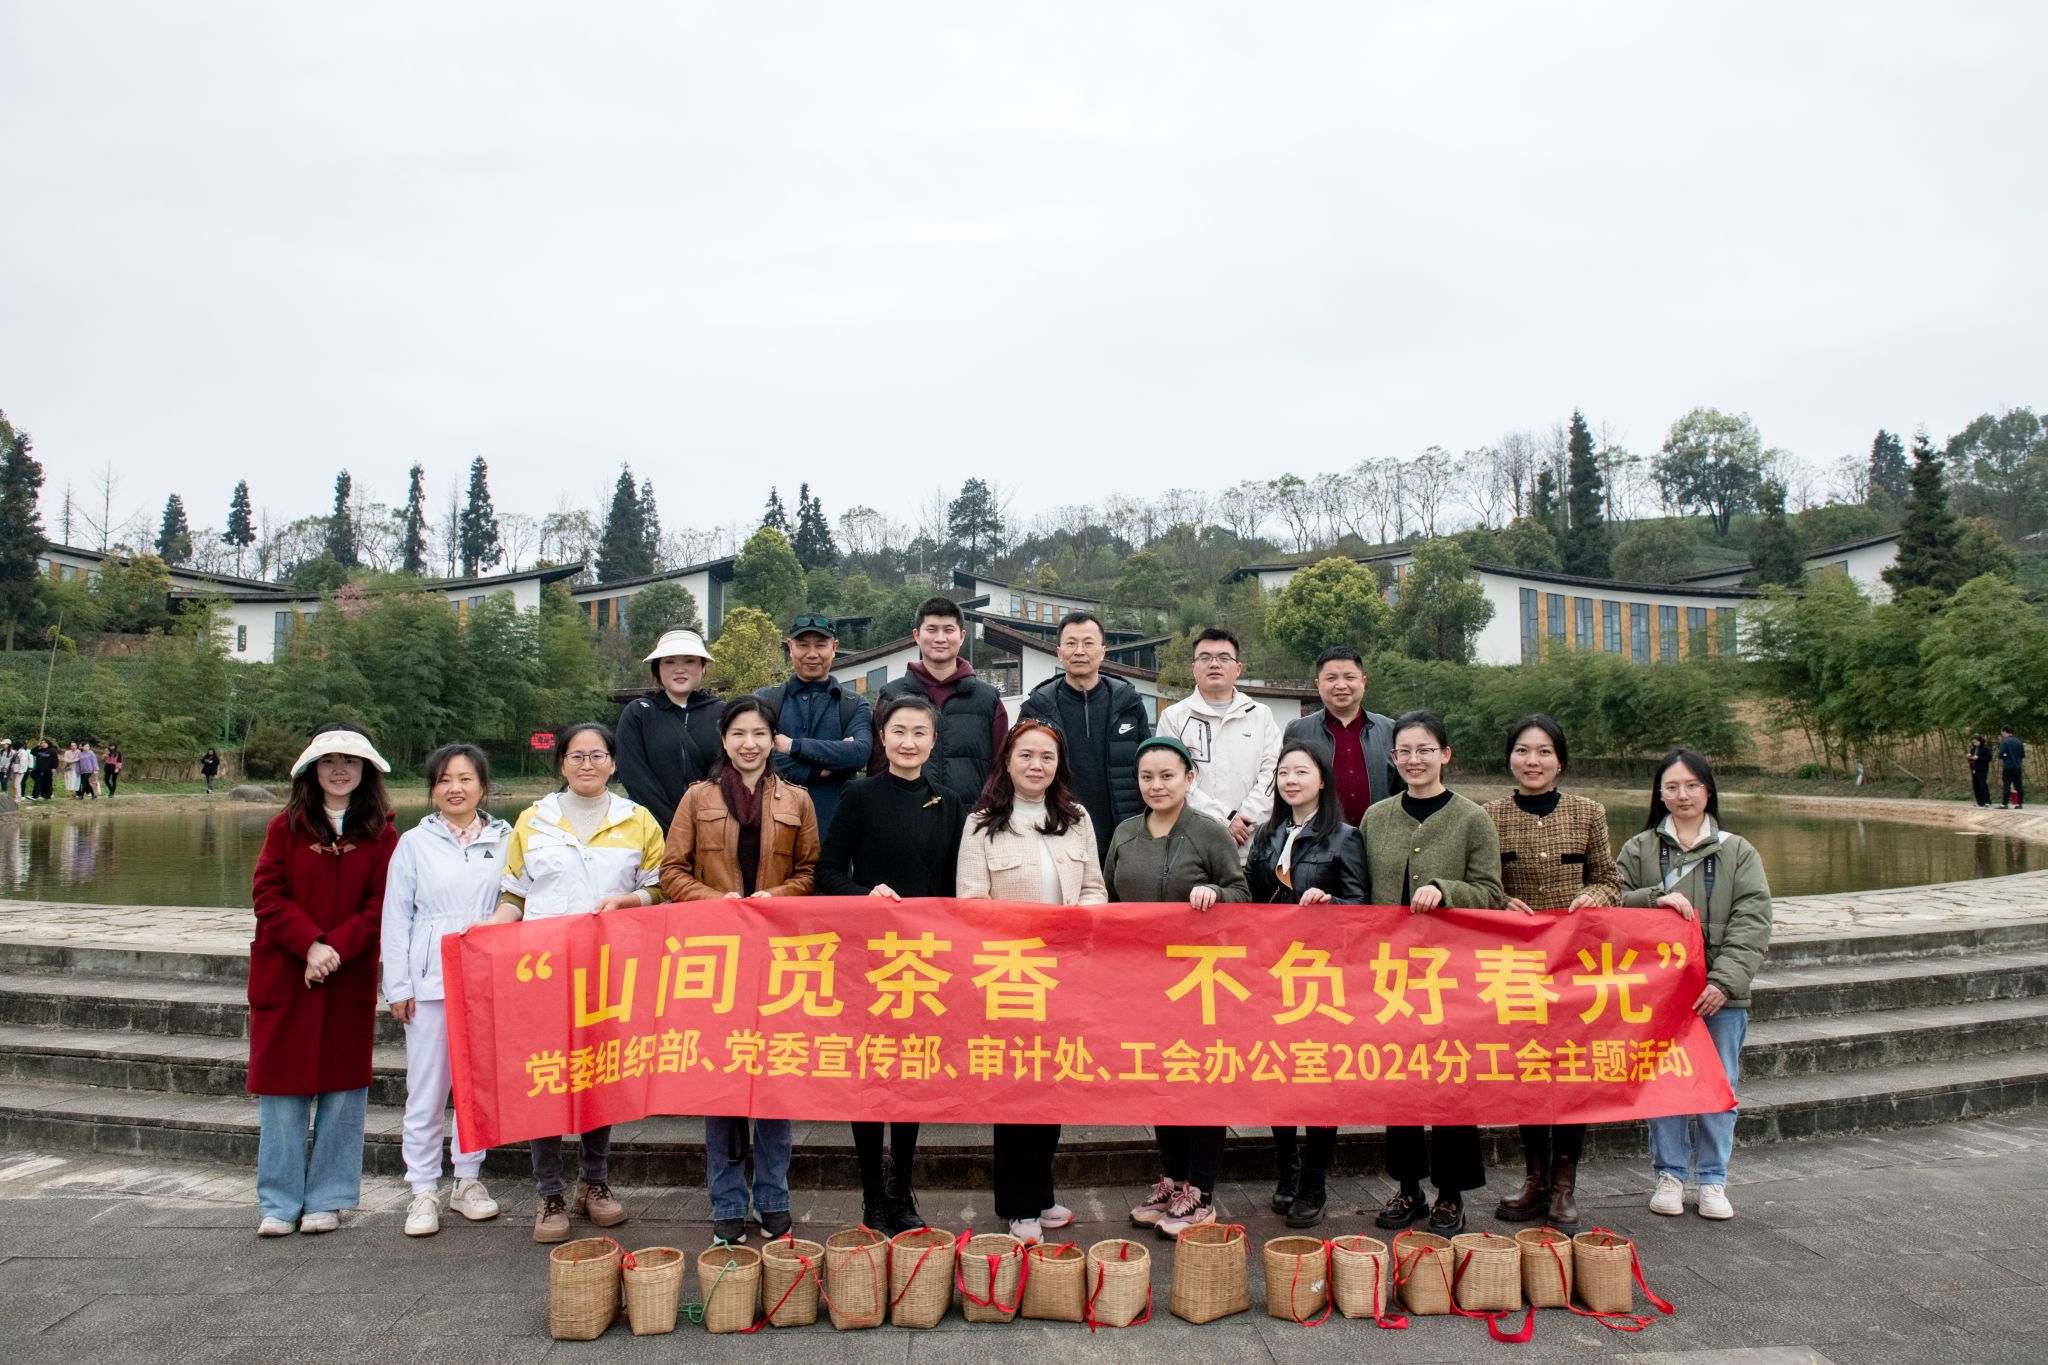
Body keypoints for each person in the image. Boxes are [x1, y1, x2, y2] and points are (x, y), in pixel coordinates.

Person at [488, 720, 668, 1243]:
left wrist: (628, 900)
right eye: (576, 756)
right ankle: (549, 1191)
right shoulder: (533, 820)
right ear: (561, 763)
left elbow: (661, 889)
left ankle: (595, 1181)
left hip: (610, 970)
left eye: (597, 755)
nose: (587, 764)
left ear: (613, 763)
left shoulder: (638, 820)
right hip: (542, 970)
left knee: (599, 1074)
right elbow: (515, 895)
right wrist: (487, 931)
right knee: (545, 1076)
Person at [660, 697, 820, 1244]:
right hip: (717, 958)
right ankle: (727, 1201)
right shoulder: (696, 798)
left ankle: (774, 1197)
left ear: (773, 739)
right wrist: (717, 902)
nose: (749, 743)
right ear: (724, 740)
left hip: (777, 960)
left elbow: (810, 872)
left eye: (759, 733)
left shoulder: (797, 800)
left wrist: (774, 897)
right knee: (722, 1083)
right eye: (738, 734)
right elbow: (671, 871)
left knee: (773, 1081)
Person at [817, 694, 966, 1234]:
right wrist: (866, 895)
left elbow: (954, 884)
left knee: (913, 1076)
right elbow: (827, 873)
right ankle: (871, 1195)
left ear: (933, 741)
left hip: (926, 962)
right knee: (870, 1075)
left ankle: (902, 1189)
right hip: (870, 958)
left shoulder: (950, 803)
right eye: (898, 731)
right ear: (881, 737)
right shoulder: (859, 795)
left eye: (920, 732)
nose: (908, 742)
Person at [957, 718, 1105, 1244]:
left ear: (1058, 765)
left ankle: (1040, 1194)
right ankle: (1018, 1206)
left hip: (1065, 975)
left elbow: (1095, 888)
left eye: (1046, 756)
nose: (1036, 765)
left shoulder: (1077, 819)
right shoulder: (981, 823)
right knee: (1015, 1094)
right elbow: (971, 902)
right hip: (1011, 975)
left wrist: (1080, 919)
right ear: (1007, 761)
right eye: (1026, 755)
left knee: (1053, 1089)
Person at [248, 722, 398, 1237]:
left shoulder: (382, 834)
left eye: (349, 761)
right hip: (288, 973)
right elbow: (267, 895)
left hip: (346, 976)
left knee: (343, 1095)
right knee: (282, 1095)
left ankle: (328, 1198)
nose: (339, 770)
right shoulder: (284, 828)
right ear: (311, 769)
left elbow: (381, 907)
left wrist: (335, 949)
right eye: (329, 761)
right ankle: (278, 1202)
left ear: (365, 771)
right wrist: (309, 944)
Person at [1617, 748, 1773, 1222]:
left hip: (1719, 997)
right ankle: (1669, 1175)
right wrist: (1654, 898)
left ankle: (1711, 1179)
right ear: (1659, 794)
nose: (1682, 795)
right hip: (1659, 995)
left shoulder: (1737, 851)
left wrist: (1725, 982)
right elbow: (1612, 902)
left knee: (1718, 1085)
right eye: (1672, 786)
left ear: (1708, 791)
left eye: (1691, 785)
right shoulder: (1639, 849)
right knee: (1663, 1083)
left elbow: (1753, 921)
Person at [1364, 709, 1504, 1237]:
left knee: (1451, 1079)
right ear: (1393, 758)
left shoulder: (1472, 818)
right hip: (1392, 972)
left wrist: (1446, 890)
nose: (1414, 759)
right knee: (1398, 1080)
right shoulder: (1376, 818)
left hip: (1452, 973)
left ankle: (1451, 1193)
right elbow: (1362, 889)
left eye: (1425, 749)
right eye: (1404, 751)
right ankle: (1408, 1187)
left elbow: (1491, 894)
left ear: (1445, 754)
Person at [1109, 735, 1251, 1240]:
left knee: (1202, 1079)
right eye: (1146, 777)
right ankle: (1172, 1180)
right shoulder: (1125, 833)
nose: (1156, 785)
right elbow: (1109, 899)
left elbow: (1242, 892)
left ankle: (1202, 1192)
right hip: (1143, 980)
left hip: (1200, 981)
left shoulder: (1208, 833)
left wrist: (1215, 892)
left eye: (1167, 776)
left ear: (1190, 778)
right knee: (1162, 1078)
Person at [1482, 714, 1621, 1230]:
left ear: (1560, 760)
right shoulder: (1489, 815)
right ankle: (1534, 1178)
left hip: (1574, 965)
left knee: (1573, 1072)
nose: (1532, 761)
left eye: (1543, 752)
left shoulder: (1588, 812)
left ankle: (1565, 1184)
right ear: (1510, 758)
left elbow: (1611, 881)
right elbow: (1482, 885)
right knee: (1530, 1069)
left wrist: (1594, 896)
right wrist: (1500, 901)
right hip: (1516, 968)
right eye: (1522, 750)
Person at [381, 743, 510, 1238]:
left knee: (476, 1088)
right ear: (433, 789)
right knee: (427, 1089)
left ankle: (467, 1180)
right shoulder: (414, 843)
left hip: (485, 981)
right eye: (444, 780)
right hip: (429, 982)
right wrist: (398, 984)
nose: (455, 789)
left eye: (465, 779)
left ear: (483, 786)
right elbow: (397, 918)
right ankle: (422, 1189)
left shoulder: (506, 839)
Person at [1245, 740, 1367, 1229]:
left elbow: (1363, 907)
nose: (1290, 780)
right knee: (1277, 1074)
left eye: (1301, 771)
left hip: (1321, 977)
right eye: (1283, 773)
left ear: (1322, 780)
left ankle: (1314, 1181)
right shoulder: (1267, 833)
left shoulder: (1345, 837)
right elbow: (1250, 900)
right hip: (1272, 973)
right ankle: (1287, 1170)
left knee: (1318, 1079)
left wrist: (1330, 904)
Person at [1017, 610, 1151, 860]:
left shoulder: (1129, 704)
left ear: (1103, 651)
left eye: (1088, 643)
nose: (1079, 651)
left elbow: (1149, 766)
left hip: (1123, 835)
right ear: (1059, 652)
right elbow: (1019, 771)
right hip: (1056, 831)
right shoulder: (1037, 708)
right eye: (1071, 643)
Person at [1158, 627, 1280, 862]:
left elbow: (1272, 775)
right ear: (1194, 667)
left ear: (1238, 668)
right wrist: (1224, 820)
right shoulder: (1173, 718)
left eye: (1224, 658)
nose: (1214, 664)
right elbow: (1172, 779)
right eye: (1205, 658)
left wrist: (1243, 822)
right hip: (1192, 847)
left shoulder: (1260, 715)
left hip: (1252, 845)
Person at [870, 597, 1009, 797]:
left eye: (949, 630)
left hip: (972, 814)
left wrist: (988, 810)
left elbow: (1001, 766)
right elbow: (877, 766)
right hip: (905, 812)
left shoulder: (988, 699)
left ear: (961, 636)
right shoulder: (891, 695)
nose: (940, 638)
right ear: (917, 635)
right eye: (932, 629)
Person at [757, 613, 872, 838]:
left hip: (834, 833)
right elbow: (753, 755)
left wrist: (792, 746)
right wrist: (818, 769)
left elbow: (859, 753)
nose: (812, 654)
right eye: (803, 645)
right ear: (790, 647)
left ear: (834, 647)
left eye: (820, 645)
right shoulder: (764, 700)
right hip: (771, 831)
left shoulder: (853, 704)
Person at [616, 628, 723, 828]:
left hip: (712, 829)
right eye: (669, 661)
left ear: (703, 667)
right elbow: (634, 776)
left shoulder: (723, 714)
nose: (679, 669)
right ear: (657, 669)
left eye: (689, 661)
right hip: (653, 831)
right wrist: (678, 827)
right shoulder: (639, 713)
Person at [1283, 646, 1401, 825]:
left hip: (1380, 834)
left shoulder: (1389, 730)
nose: (1341, 685)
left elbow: (1404, 787)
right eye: (1331, 678)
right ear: (1318, 684)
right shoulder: (1298, 730)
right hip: (1319, 836)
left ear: (1363, 681)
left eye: (1349, 677)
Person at [1999, 726, 2025, 809]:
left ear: (2004, 732)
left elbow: (2001, 754)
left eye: (2002, 732)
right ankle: (2019, 803)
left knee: (2007, 785)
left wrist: (2005, 756)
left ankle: (2005, 804)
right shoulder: (2019, 741)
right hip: (2017, 766)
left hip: (2008, 766)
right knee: (2018, 785)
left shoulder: (2005, 741)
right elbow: (2022, 755)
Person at [1969, 734, 1994, 808]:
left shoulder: (1985, 749)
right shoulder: (1973, 749)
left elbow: (1989, 758)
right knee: (1975, 785)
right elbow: (1971, 758)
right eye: (1973, 742)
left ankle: (1987, 801)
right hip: (1974, 769)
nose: (1975, 743)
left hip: (1982, 769)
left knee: (1982, 784)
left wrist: (1979, 758)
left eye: (1976, 742)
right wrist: (1969, 757)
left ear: (1980, 741)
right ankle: (1979, 801)